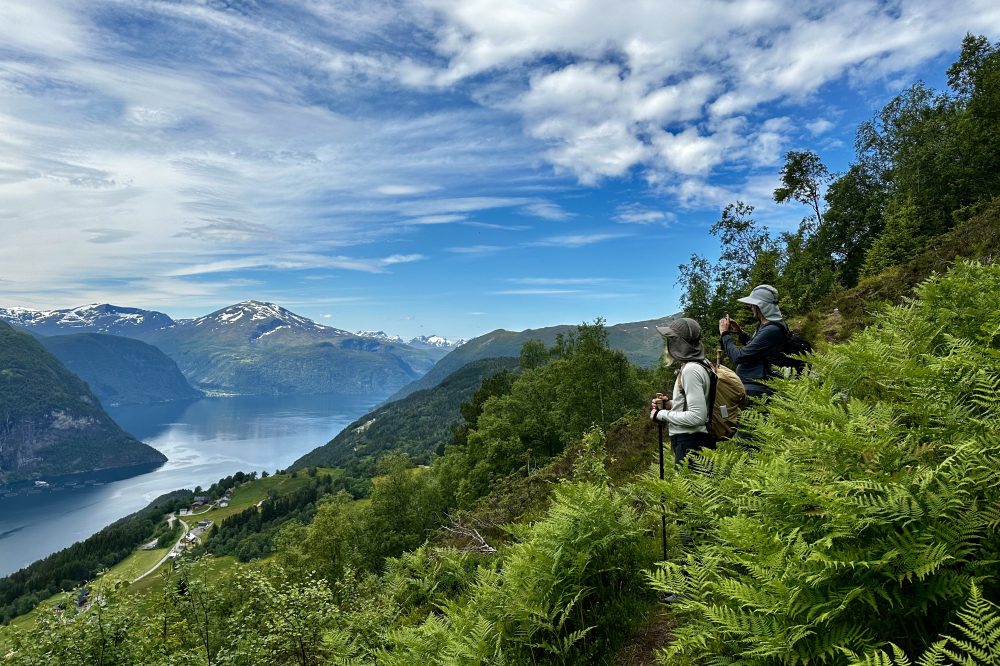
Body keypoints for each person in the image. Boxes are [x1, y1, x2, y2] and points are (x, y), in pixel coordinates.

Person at [649, 318, 715, 466]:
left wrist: (660, 415)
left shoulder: (691, 370)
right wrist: (669, 404)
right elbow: (696, 404)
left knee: (693, 489)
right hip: (698, 441)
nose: (667, 345)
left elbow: (697, 416)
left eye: (671, 339)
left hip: (691, 443)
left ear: (678, 343)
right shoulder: (702, 363)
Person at [718, 284, 787, 399]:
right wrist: (740, 333)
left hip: (759, 391)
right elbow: (757, 348)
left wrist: (725, 335)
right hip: (756, 387)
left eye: (753, 304)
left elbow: (738, 357)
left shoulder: (772, 329)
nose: (751, 306)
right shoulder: (766, 325)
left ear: (761, 306)